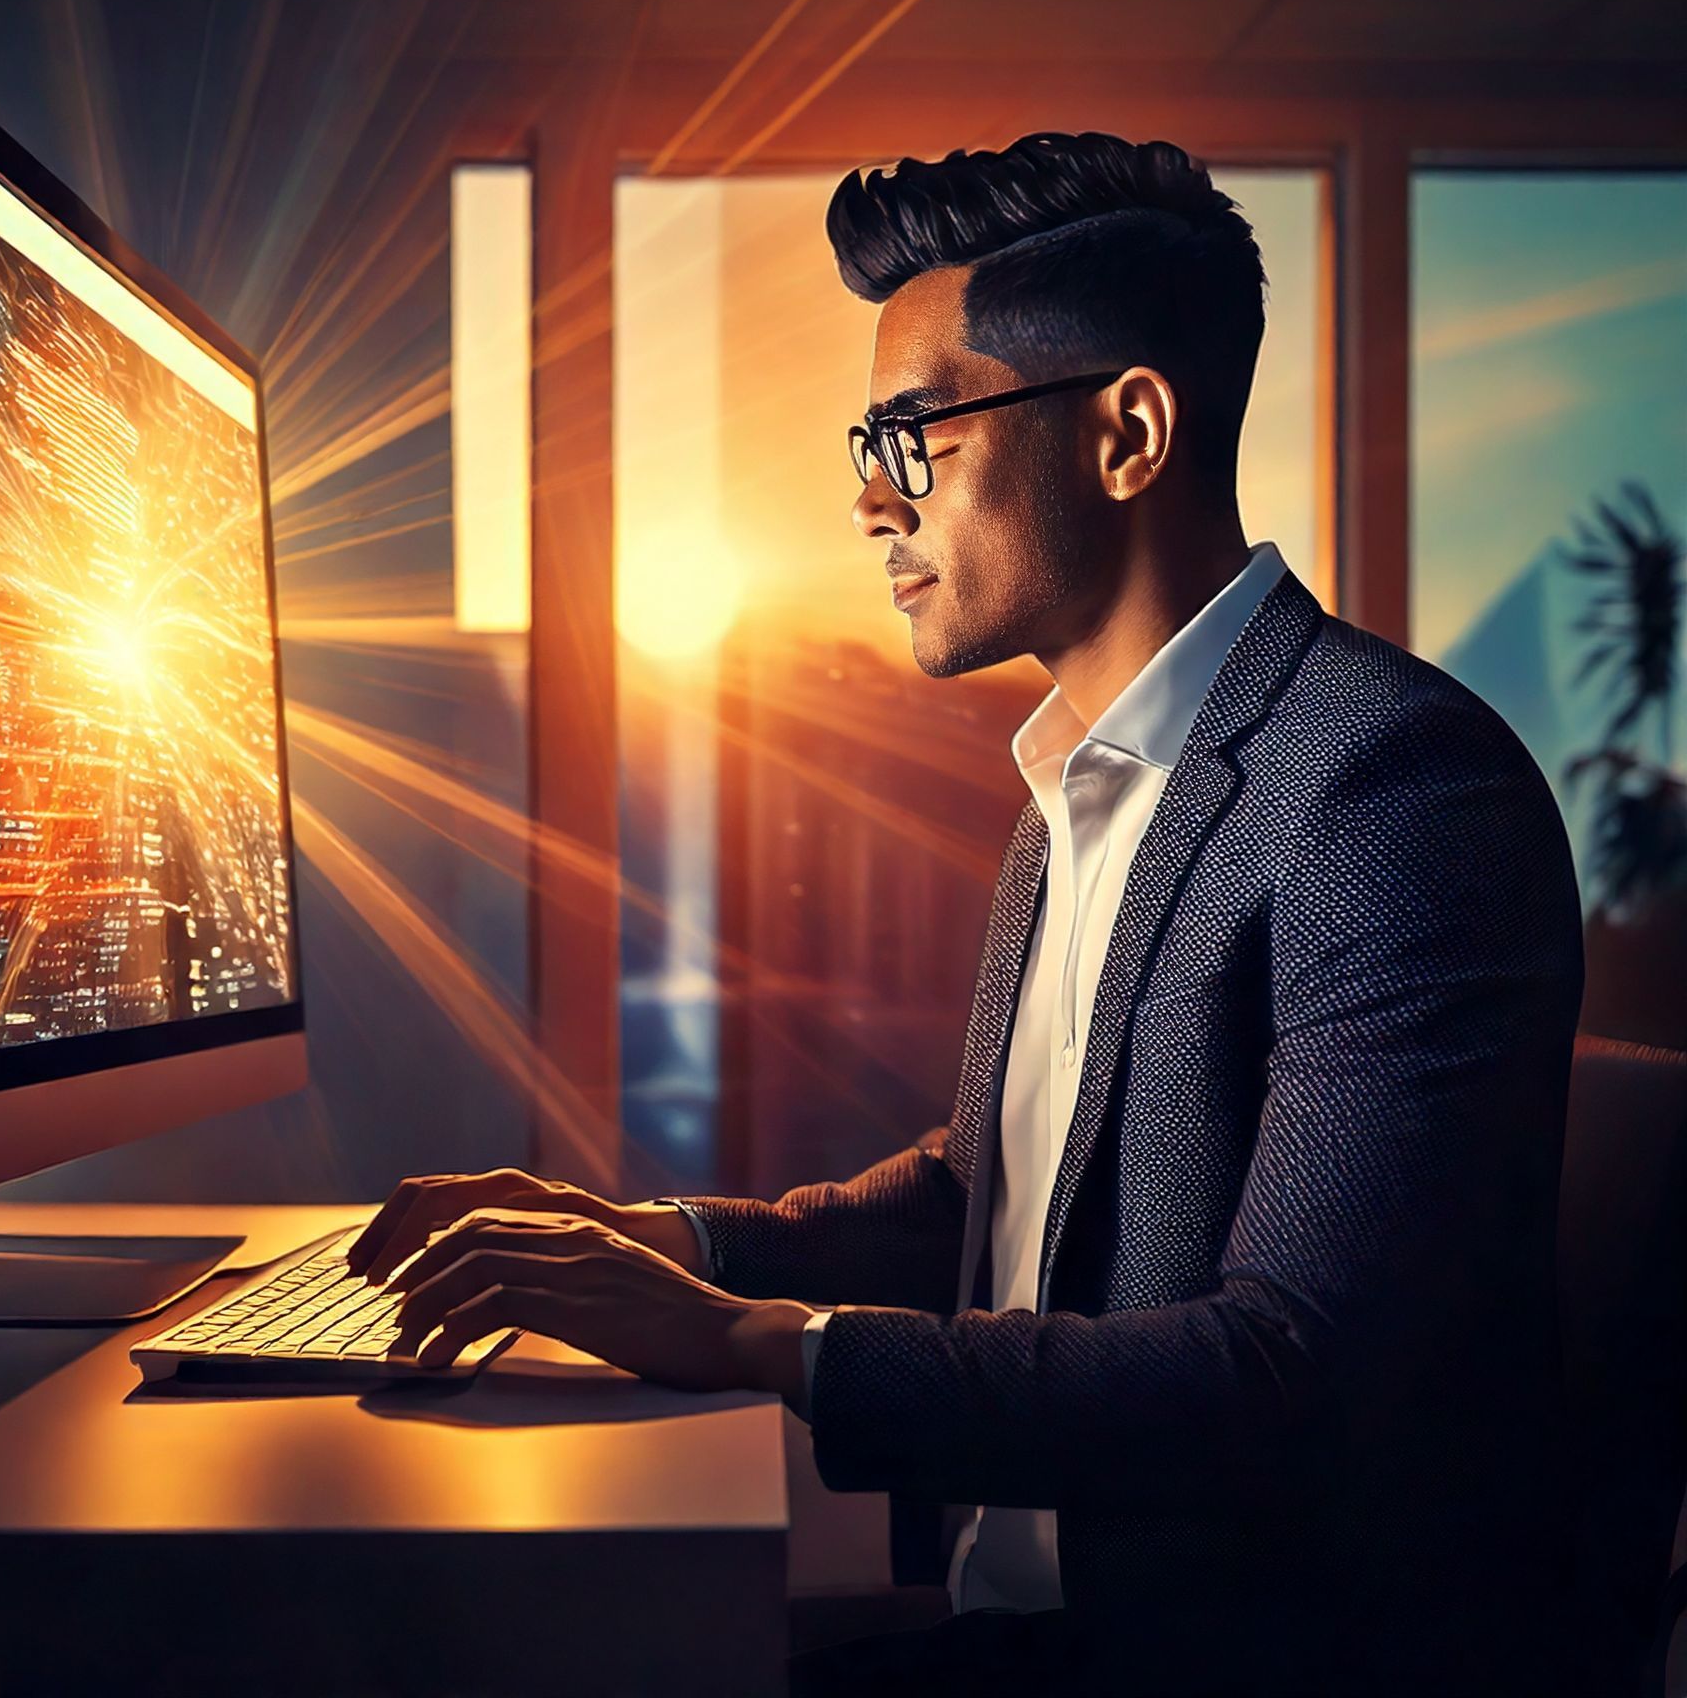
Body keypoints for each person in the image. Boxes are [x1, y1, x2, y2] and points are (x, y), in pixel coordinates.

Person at [347, 131, 1584, 1695]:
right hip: (1022, 1633)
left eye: (916, 431)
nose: (871, 497)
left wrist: (751, 1346)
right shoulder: (1083, 784)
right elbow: (991, 1200)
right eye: (868, 440)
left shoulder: (1388, 787)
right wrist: (665, 1247)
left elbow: (1291, 1376)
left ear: (1129, 431)